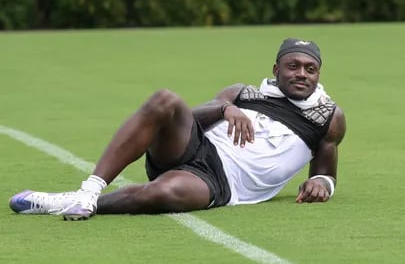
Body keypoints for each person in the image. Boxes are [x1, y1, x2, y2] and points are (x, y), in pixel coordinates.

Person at [9, 38, 346, 220]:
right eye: (293, 66)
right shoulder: (244, 93)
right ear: (277, 68)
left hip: (221, 182)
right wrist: (226, 108)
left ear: (318, 74)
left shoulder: (328, 116)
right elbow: (192, 115)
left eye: (310, 69)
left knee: (162, 194)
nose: (302, 73)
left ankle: (72, 203)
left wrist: (322, 184)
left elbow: (326, 173)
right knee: (165, 100)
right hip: (194, 148)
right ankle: (89, 189)